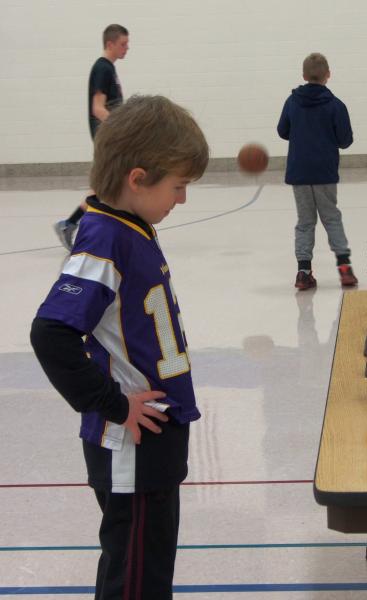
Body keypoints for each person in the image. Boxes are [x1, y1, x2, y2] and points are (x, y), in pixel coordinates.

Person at [31, 95, 209, 599]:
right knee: (132, 580)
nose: (182, 199)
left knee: (149, 574)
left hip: (156, 439)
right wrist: (112, 405)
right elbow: (51, 334)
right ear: (137, 179)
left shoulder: (132, 226)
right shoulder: (104, 238)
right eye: (178, 187)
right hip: (130, 442)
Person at [277, 52, 358, 290]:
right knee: (331, 217)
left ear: (303, 75)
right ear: (328, 75)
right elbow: (345, 141)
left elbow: (283, 131)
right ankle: (345, 269)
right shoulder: (336, 105)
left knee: (305, 221)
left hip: (299, 172)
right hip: (324, 171)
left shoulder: (292, 102)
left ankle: (303, 272)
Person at [54, 24, 129, 250]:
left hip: (110, 134)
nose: (127, 48)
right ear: (110, 44)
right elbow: (98, 108)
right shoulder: (102, 68)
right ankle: (72, 223)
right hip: (106, 134)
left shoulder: (109, 68)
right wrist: (122, 127)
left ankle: (73, 223)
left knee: (108, 184)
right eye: (123, 44)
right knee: (108, 184)